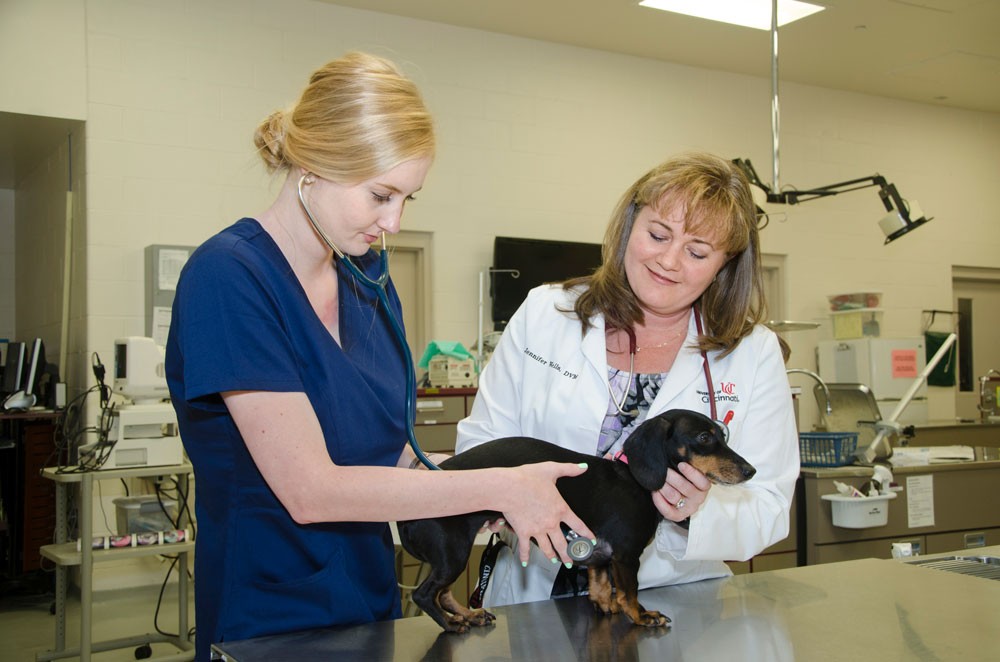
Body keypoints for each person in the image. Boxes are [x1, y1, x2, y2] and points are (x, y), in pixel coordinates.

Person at [165, 52, 593, 660]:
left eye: (407, 200)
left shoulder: (366, 281)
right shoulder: (230, 278)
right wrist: (494, 485)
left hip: (369, 597)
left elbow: (386, 451)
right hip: (268, 608)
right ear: (313, 164)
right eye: (380, 195)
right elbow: (310, 489)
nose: (391, 223)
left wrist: (502, 489)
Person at [456, 152, 800, 607]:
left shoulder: (752, 352)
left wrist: (692, 514)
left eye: (697, 251)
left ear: (725, 264)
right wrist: (500, 496)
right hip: (531, 588)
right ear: (630, 225)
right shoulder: (546, 312)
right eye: (658, 235)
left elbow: (769, 506)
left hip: (671, 596)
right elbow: (482, 445)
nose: (669, 261)